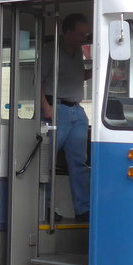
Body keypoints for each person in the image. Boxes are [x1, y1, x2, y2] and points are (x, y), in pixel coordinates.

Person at [42, 13, 92, 222]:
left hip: (77, 110)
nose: (83, 38)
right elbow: (38, 81)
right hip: (57, 108)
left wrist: (98, 71)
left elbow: (77, 76)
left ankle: (83, 209)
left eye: (85, 34)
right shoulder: (50, 52)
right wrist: (47, 108)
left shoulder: (78, 53)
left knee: (79, 163)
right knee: (47, 162)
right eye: (80, 34)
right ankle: (45, 208)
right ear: (67, 32)